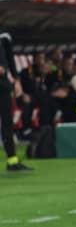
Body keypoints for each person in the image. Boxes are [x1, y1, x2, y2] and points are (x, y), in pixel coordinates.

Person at [0, 31, 32, 171]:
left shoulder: (3, 35)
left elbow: (9, 58)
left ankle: (12, 161)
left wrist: (16, 80)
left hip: (3, 86)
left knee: (7, 123)